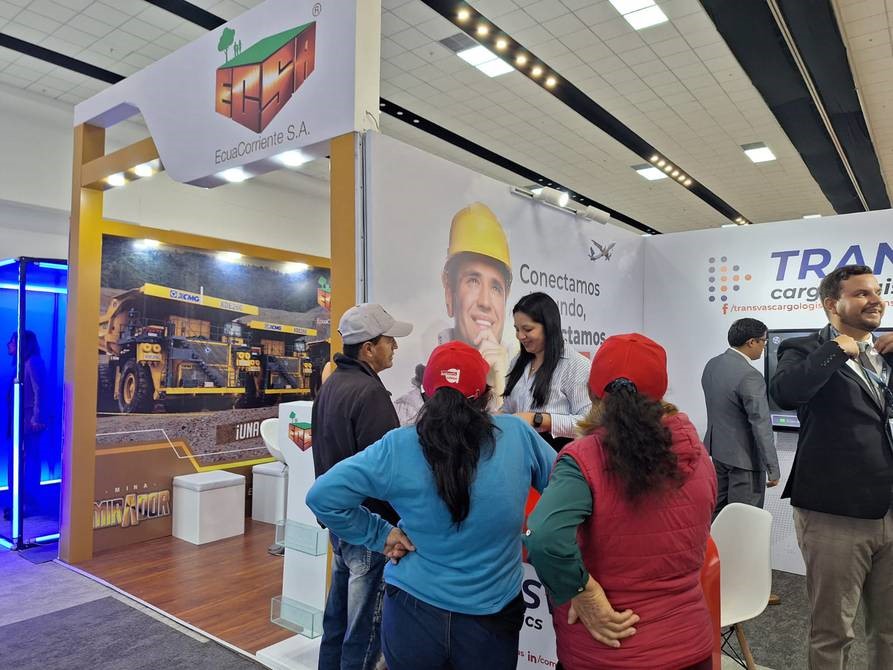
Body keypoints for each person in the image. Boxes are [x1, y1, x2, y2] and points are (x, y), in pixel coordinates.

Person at [307, 341, 556, 670]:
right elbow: (566, 487)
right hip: (490, 621)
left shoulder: (399, 445)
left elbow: (322, 496)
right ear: (484, 395)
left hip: (412, 614)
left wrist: (380, 535)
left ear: (425, 394)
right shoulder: (517, 435)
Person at [526, 333, 717, 670]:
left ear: (592, 391)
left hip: (608, 650)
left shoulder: (583, 457)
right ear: (661, 393)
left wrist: (582, 591)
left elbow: (543, 536)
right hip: (690, 645)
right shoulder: (698, 454)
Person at [769, 264, 893, 670]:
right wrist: (836, 350)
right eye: (861, 293)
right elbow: (785, 392)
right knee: (833, 631)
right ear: (831, 304)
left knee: (889, 629)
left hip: (889, 507)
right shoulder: (805, 348)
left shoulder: (886, 353)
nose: (876, 300)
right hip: (835, 512)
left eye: (877, 291)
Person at [311, 303, 412, 670]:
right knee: (364, 634)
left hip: (343, 525)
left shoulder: (333, 385)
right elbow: (388, 473)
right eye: (389, 340)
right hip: (371, 532)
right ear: (369, 348)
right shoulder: (369, 394)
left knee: (337, 624)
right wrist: (398, 527)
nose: (395, 347)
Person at [393, 202, 512, 423]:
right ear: (449, 290)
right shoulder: (409, 408)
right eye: (473, 280)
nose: (485, 302)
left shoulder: (514, 376)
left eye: (496, 287)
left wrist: (500, 389)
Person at [701, 318, 781, 516]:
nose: (764, 347)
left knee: (718, 516)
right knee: (744, 519)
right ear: (751, 342)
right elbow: (761, 424)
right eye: (764, 341)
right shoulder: (750, 375)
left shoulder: (712, 365)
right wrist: (772, 468)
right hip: (745, 461)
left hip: (718, 453)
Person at [502, 292, 591, 451]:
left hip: (557, 456)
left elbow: (587, 423)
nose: (520, 336)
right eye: (517, 329)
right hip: (519, 453)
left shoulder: (576, 365)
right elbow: (508, 409)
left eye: (527, 329)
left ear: (549, 327)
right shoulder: (517, 362)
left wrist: (538, 419)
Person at [7, 331, 47, 518]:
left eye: (13, 341)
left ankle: (27, 504)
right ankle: (21, 503)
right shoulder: (24, 363)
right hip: (21, 419)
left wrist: (36, 418)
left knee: (28, 462)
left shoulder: (33, 362)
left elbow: (40, 391)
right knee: (22, 461)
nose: (9, 344)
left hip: (28, 422)